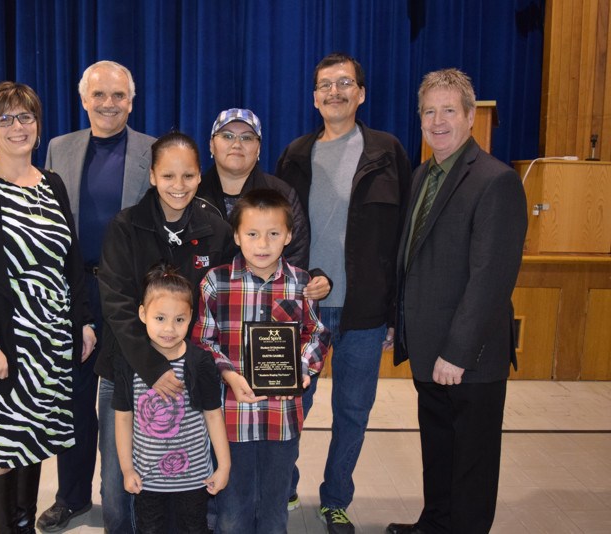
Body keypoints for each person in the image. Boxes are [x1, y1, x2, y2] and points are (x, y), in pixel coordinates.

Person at [0, 81, 96, 534]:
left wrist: (83, 320)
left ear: (38, 125)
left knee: (30, 439)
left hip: (46, 346)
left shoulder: (52, 184)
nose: (17, 126)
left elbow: (71, 259)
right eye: (5, 118)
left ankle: (25, 525)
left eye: (25, 117)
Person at [386, 69, 527, 534]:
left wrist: (457, 352)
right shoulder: (423, 173)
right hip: (431, 349)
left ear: (470, 117)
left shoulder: (495, 180)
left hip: (468, 356)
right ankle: (435, 522)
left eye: (449, 110)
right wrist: (397, 322)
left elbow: (491, 278)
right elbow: (411, 259)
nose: (438, 120)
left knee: (472, 463)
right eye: (429, 111)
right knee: (439, 448)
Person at [275, 52, 411, 531]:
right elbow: (276, 230)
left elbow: (402, 240)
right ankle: (283, 488)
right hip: (302, 310)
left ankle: (336, 498)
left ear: (361, 93)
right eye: (325, 85)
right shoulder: (293, 155)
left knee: (352, 412)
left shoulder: (387, 152)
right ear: (314, 98)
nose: (335, 91)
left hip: (365, 313)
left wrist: (397, 310)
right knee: (291, 408)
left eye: (345, 83)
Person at [97, 131, 237, 533]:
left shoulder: (215, 229)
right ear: (153, 176)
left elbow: (219, 307)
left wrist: (205, 367)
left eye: (189, 176)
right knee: (120, 488)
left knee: (193, 481)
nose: (179, 186)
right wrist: (153, 366)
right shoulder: (125, 227)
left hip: (191, 375)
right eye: (169, 176)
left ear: (199, 176)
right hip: (127, 371)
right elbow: (119, 306)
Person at [38, 60, 156, 533]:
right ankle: (71, 496)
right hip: (74, 290)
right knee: (73, 397)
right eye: (99, 95)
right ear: (83, 99)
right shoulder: (58, 148)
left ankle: (125, 494)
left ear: (132, 100)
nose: (109, 104)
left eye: (118, 95)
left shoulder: (153, 150)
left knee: (126, 398)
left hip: (129, 292)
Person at [192, 188, 331, 534]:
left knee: (274, 508)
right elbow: (203, 341)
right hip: (231, 419)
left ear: (288, 235)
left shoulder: (301, 284)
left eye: (273, 234)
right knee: (232, 509)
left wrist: (303, 369)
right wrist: (227, 373)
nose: (262, 243)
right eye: (252, 234)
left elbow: (316, 334)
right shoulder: (215, 283)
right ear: (237, 235)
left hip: (282, 418)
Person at [113, 263, 231, 534]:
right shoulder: (129, 363)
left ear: (191, 318)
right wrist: (127, 468)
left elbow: (213, 415)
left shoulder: (200, 362)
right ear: (143, 314)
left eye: (179, 319)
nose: (169, 328)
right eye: (160, 318)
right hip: (148, 480)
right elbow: (123, 418)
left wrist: (224, 465)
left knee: (194, 528)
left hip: (194, 479)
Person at [198, 108, 312, 271]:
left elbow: (296, 256)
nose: (236, 144)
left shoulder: (281, 195)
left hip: (268, 295)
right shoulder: (191, 194)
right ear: (211, 145)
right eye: (227, 136)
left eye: (246, 138)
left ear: (258, 149)